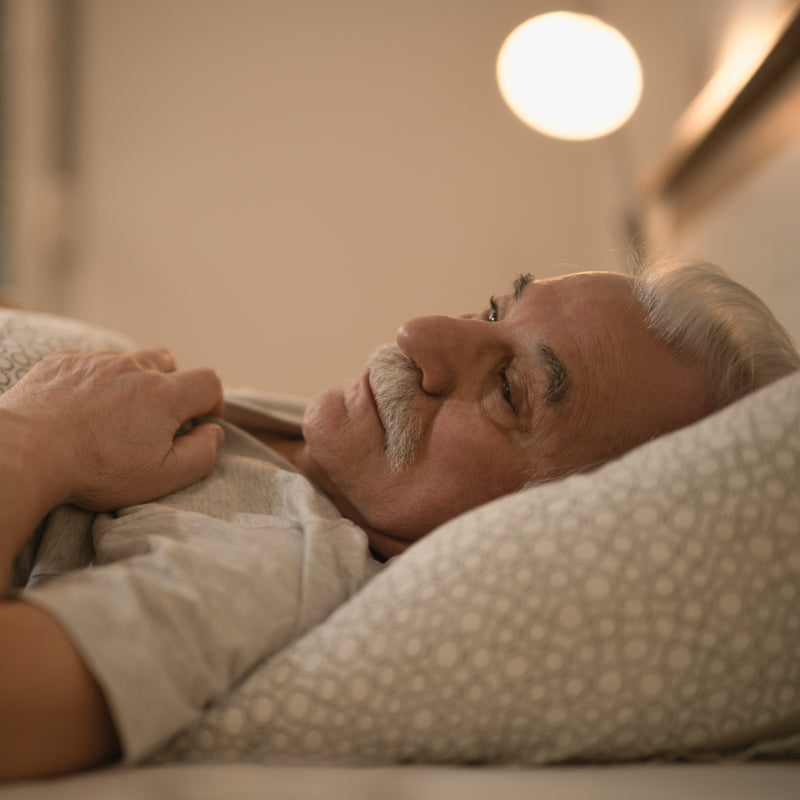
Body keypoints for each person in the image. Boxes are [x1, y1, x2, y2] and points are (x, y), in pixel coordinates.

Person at [1, 259, 798, 781]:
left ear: (549, 518)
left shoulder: (270, 556)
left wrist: (39, 438)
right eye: (496, 309)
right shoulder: (305, 439)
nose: (421, 332)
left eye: (510, 390)